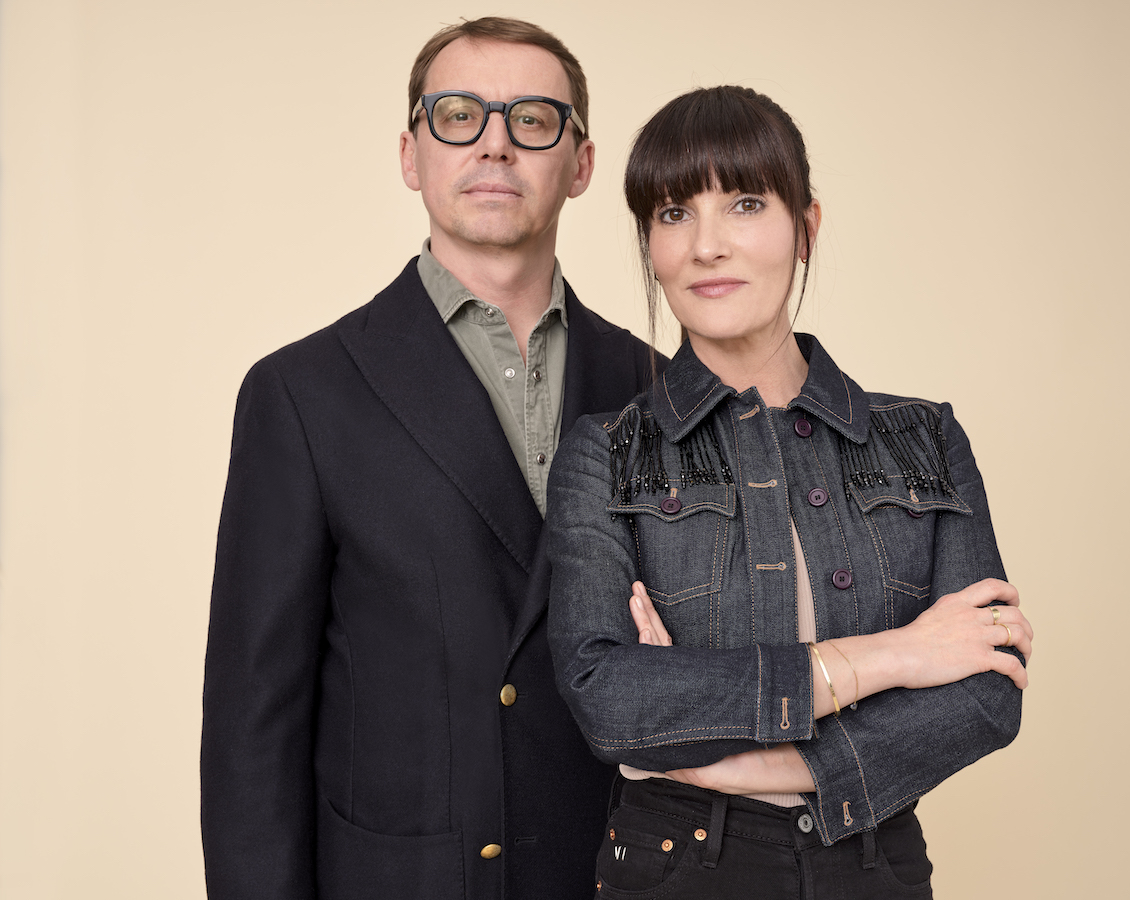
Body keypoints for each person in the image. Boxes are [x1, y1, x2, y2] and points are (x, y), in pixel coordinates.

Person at [200, 17, 658, 900]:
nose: (494, 143)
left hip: (614, 876)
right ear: (411, 155)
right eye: (457, 115)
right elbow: (252, 727)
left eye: (533, 120)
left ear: (582, 163)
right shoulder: (303, 393)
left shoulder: (657, 386)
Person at [547, 85, 1034, 898]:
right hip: (677, 868)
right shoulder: (608, 453)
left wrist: (739, 762)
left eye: (745, 204)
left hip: (877, 869)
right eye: (674, 213)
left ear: (806, 228)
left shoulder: (923, 438)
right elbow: (610, 700)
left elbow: (987, 694)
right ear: (650, 244)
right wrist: (898, 655)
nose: (707, 246)